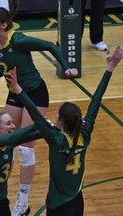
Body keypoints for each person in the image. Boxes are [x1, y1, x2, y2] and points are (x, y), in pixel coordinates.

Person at [0, 1, 78, 215]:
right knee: (6, 142)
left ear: (4, 25)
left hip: (35, 94)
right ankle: (2, 192)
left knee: (25, 148)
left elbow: (50, 46)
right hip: (15, 92)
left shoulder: (19, 40)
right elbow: (5, 66)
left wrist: (66, 66)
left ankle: (22, 203)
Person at [8, 45, 123, 215]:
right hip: (77, 203)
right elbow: (96, 101)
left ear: (60, 121)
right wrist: (110, 68)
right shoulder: (84, 134)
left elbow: (36, 115)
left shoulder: (57, 140)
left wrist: (18, 90)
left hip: (57, 206)